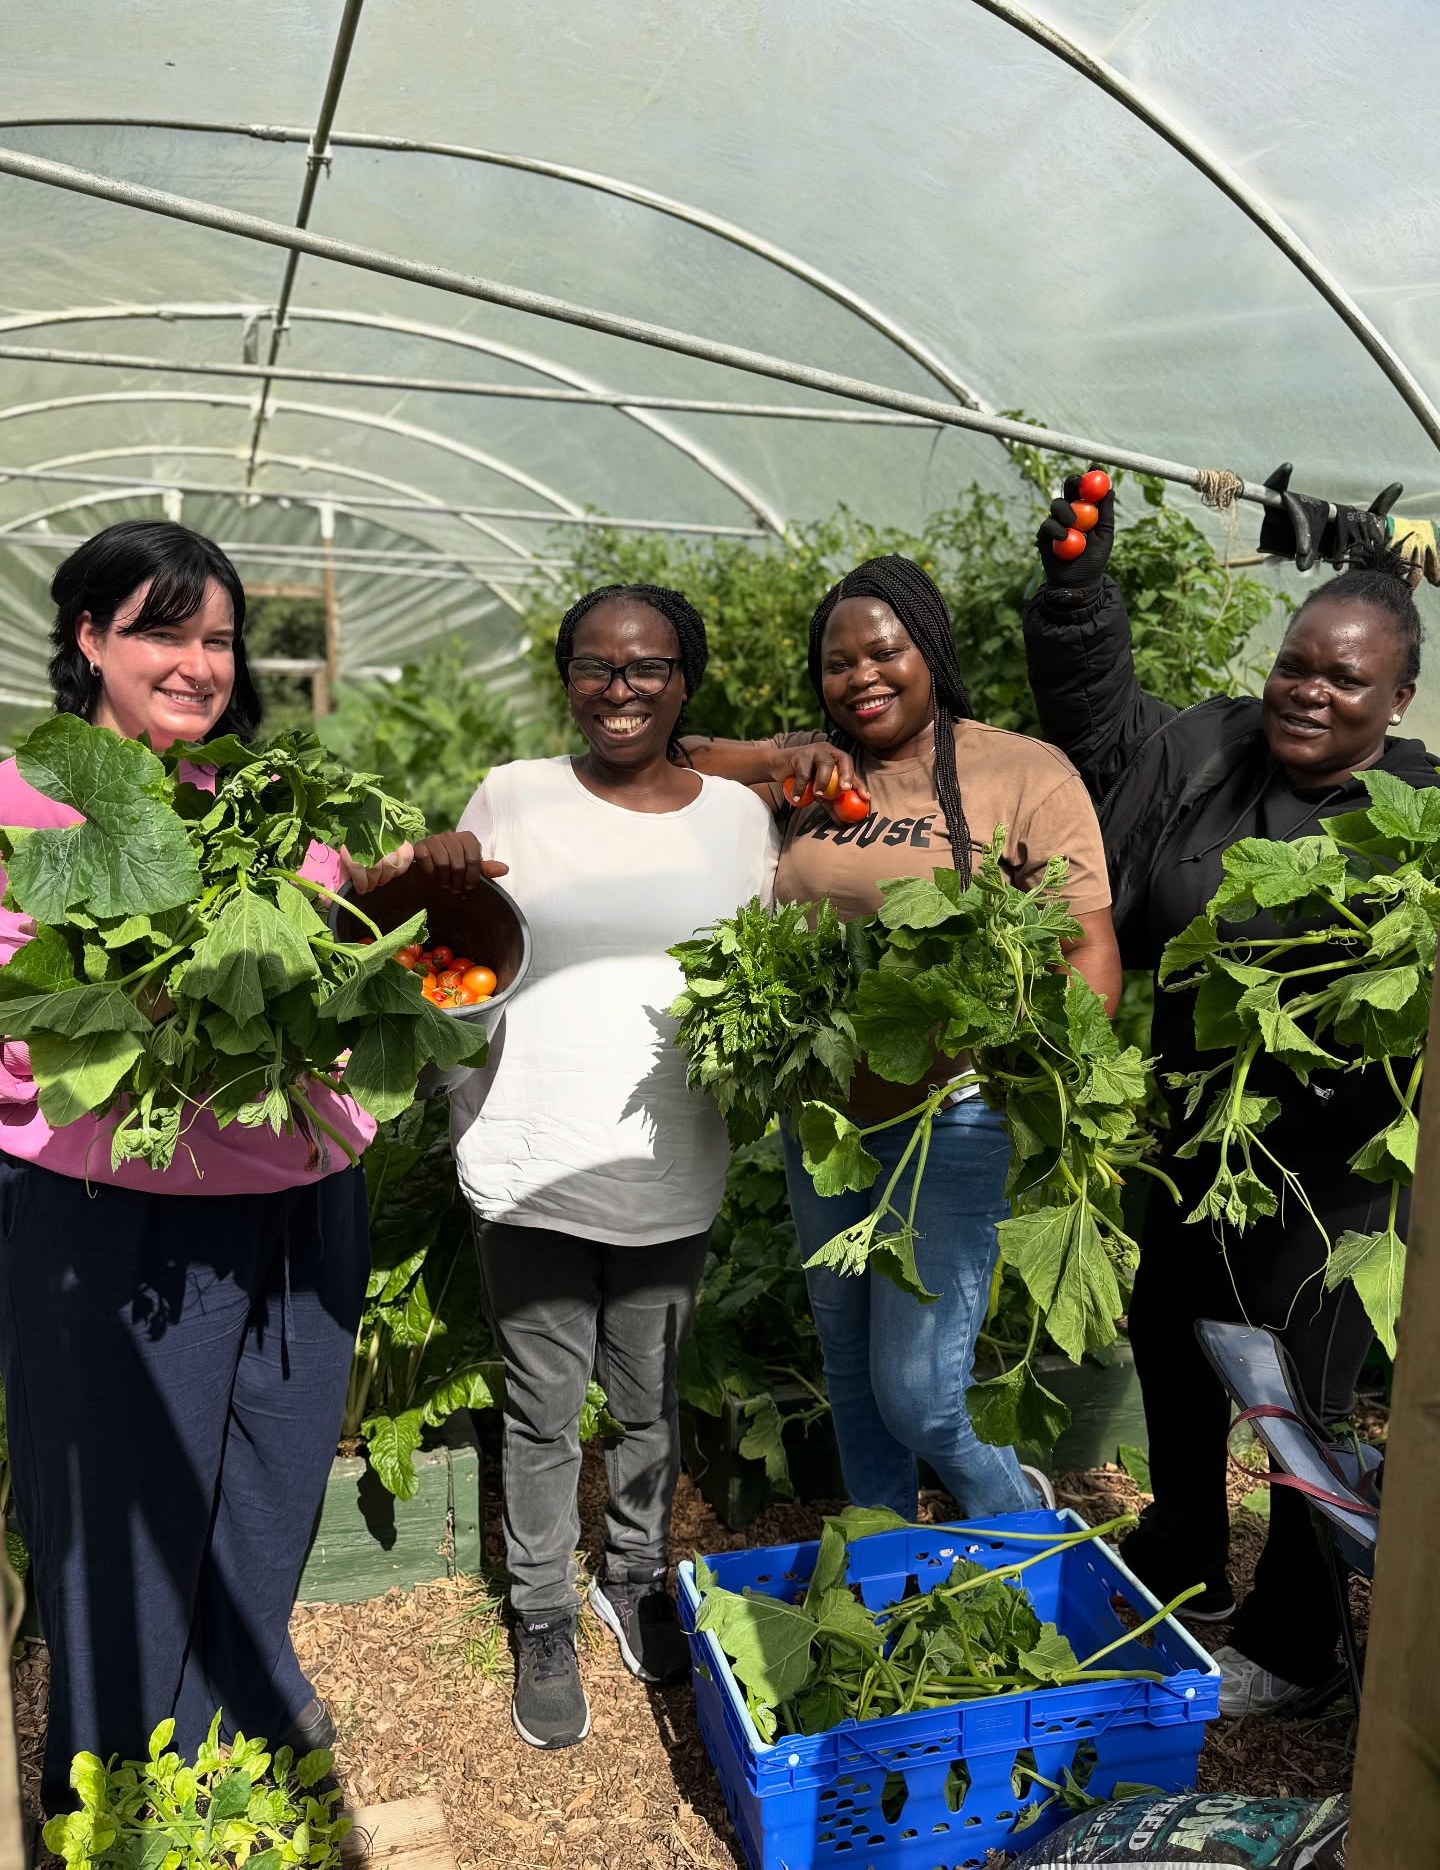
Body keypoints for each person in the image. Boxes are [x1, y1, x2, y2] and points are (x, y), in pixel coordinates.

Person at [0, 521, 411, 1809]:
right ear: (89, 640)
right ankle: (116, 1792)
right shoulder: (34, 797)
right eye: (163, 632)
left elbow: (344, 937)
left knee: (275, 1471)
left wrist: (399, 903)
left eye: (220, 638)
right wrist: (160, 996)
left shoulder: (260, 798)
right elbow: (24, 1007)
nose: (199, 663)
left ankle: (230, 1730)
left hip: (300, 1198)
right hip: (118, 1209)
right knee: (122, 1510)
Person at [1023, 478, 1437, 1716]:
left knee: (1300, 1400)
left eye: (1345, 679)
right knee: (1171, 1340)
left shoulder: (1421, 818)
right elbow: (1099, 730)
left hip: (1337, 1170)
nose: (1307, 689)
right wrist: (1076, 590)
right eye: (1297, 663)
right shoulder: (1209, 755)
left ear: (1398, 700)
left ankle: (1305, 1639)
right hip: (1202, 1132)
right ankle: (1187, 1548)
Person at [369, 583, 778, 1753]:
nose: (621, 689)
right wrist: (428, 864)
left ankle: (639, 1573)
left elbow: (765, 966)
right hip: (531, 1149)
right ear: (568, 679)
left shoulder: (739, 820)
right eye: (596, 668)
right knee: (545, 1409)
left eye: (647, 668)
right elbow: (446, 935)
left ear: (685, 681)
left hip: (670, 1154)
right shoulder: (517, 793)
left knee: (649, 1400)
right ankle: (544, 1612)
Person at [686, 554, 1121, 1526]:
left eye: (885, 652)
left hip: (953, 1118)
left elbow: (1089, 945)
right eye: (838, 663)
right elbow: (666, 758)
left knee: (920, 1391)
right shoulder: (809, 773)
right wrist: (772, 759)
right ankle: (884, 1562)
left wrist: (1065, 1084)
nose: (862, 678)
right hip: (823, 1119)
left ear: (932, 650)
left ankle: (1021, 1521)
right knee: (848, 1365)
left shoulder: (1021, 772)